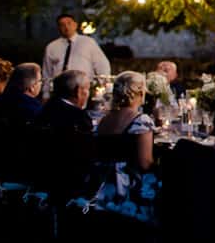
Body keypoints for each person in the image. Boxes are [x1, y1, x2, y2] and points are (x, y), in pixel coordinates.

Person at [92, 71, 157, 222]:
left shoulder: (104, 119)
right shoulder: (141, 120)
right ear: (140, 92)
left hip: (102, 184)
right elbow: (144, 163)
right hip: (126, 186)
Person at [41, 14, 110, 93]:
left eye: (69, 23)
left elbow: (101, 64)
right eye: (62, 25)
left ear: (75, 25)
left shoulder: (88, 42)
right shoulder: (52, 47)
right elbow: (46, 72)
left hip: (84, 87)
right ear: (58, 28)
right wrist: (45, 93)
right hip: (60, 88)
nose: (66, 27)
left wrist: (103, 86)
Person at [37, 69, 93, 136]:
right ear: (78, 91)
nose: (88, 93)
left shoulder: (47, 106)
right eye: (87, 88)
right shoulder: (78, 116)